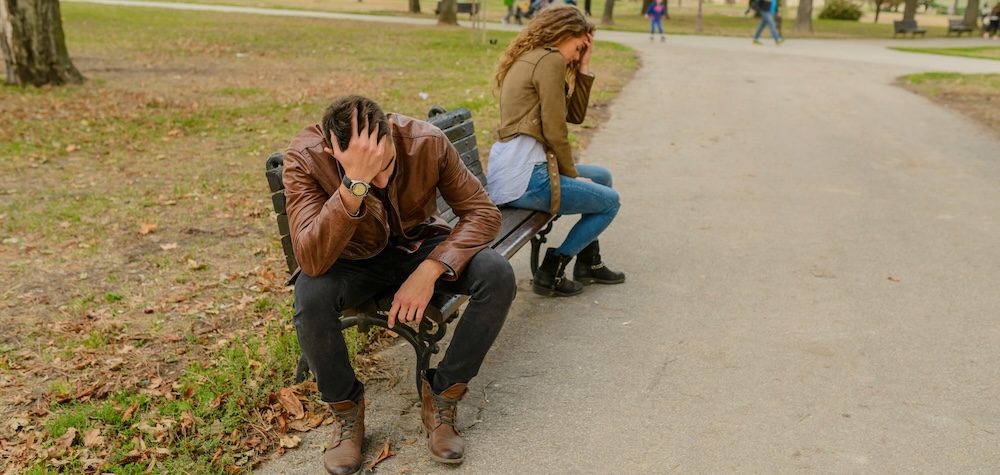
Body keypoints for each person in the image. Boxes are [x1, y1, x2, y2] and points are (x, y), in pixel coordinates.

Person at [283, 95, 516, 474]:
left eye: (385, 164)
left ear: (390, 131)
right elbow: (311, 259)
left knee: (497, 274)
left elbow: (483, 213)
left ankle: (442, 397)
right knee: (310, 296)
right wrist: (352, 185)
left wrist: (431, 268)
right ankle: (346, 414)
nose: (381, 180)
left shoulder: (425, 141)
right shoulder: (306, 157)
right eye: (364, 173)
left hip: (417, 246)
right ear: (331, 151)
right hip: (349, 257)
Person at [489, 5, 626, 298]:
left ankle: (588, 263)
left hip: (521, 170)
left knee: (602, 177)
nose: (576, 56)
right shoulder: (548, 61)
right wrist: (573, 175)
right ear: (564, 33)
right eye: (578, 48)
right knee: (611, 202)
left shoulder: (536, 57)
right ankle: (553, 267)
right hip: (526, 177)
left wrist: (584, 67)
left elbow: (573, 116)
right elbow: (554, 131)